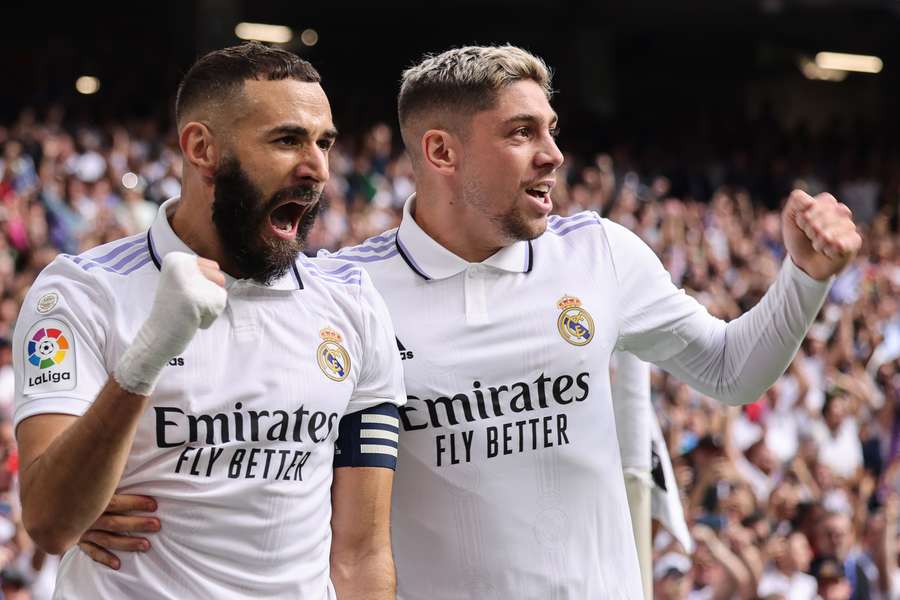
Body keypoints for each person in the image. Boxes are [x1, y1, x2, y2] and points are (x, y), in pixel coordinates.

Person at [87, 44, 860, 598]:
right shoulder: (346, 293)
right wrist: (100, 501)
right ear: (441, 151)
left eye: (551, 129)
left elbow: (731, 373)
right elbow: (241, 418)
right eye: (522, 132)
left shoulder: (600, 255)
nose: (553, 154)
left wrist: (805, 277)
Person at [14, 42, 405, 599]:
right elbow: (52, 521)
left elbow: (362, 552)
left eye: (325, 142)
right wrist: (148, 355)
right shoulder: (82, 292)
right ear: (202, 148)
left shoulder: (352, 304)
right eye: (287, 139)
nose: (318, 167)